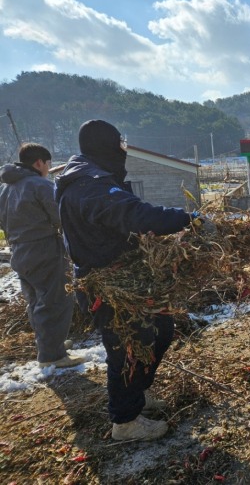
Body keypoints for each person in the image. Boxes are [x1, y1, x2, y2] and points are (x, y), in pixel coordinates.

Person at [54, 119, 212, 442]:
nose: (123, 150)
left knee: (162, 327)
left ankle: (136, 393)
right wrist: (187, 220)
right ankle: (125, 421)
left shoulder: (88, 175)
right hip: (106, 284)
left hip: (124, 275)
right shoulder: (91, 186)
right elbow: (136, 215)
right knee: (126, 346)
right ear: (106, 146)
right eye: (119, 144)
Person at [0, 143, 82, 368]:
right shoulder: (40, 185)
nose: (49, 167)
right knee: (55, 300)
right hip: (44, 250)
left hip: (19, 252)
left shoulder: (6, 189)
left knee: (36, 301)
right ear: (39, 163)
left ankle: (50, 346)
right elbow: (60, 217)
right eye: (48, 163)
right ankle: (52, 357)